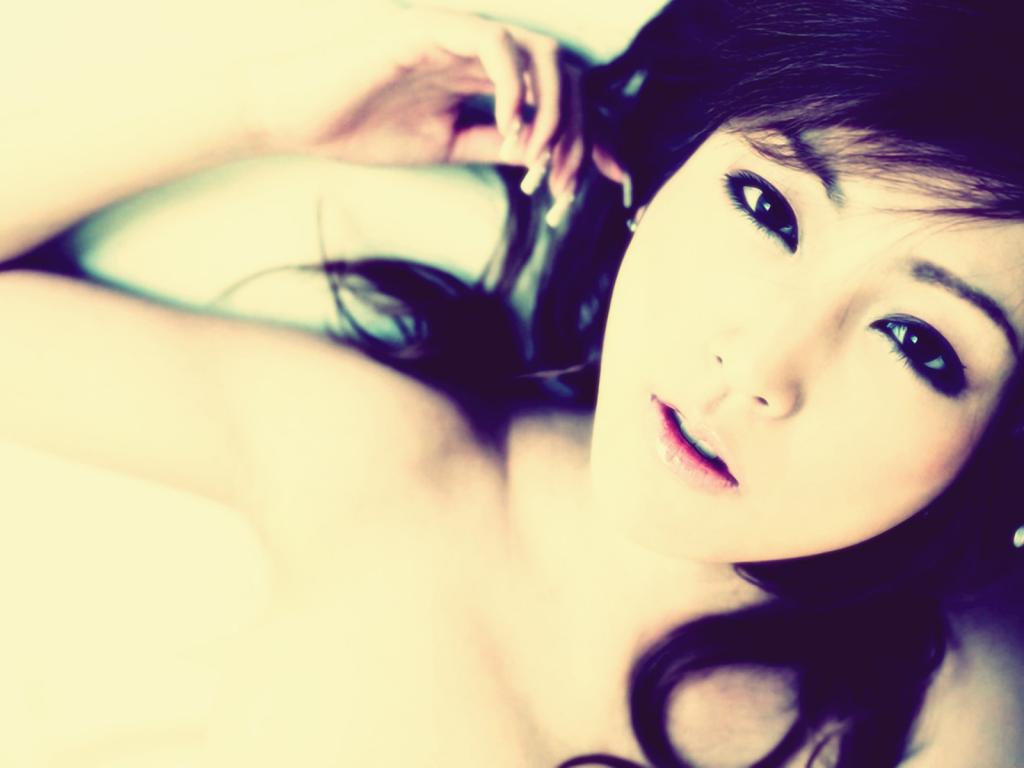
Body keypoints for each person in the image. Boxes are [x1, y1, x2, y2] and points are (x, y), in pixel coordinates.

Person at [2, 0, 1023, 766]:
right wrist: (261, 110)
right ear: (663, 174)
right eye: (766, 207)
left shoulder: (964, 702)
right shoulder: (388, 460)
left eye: (919, 343)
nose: (760, 364)